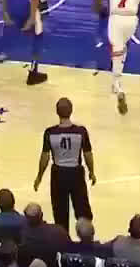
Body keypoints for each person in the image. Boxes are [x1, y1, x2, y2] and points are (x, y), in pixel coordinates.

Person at [32, 97, 97, 228]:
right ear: (71, 111)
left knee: (60, 212)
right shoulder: (81, 131)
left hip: (58, 174)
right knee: (82, 210)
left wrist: (39, 176)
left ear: (57, 112)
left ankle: (62, 238)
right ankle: (86, 237)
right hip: (76, 173)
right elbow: (87, 154)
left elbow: (45, 156)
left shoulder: (50, 133)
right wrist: (92, 172)